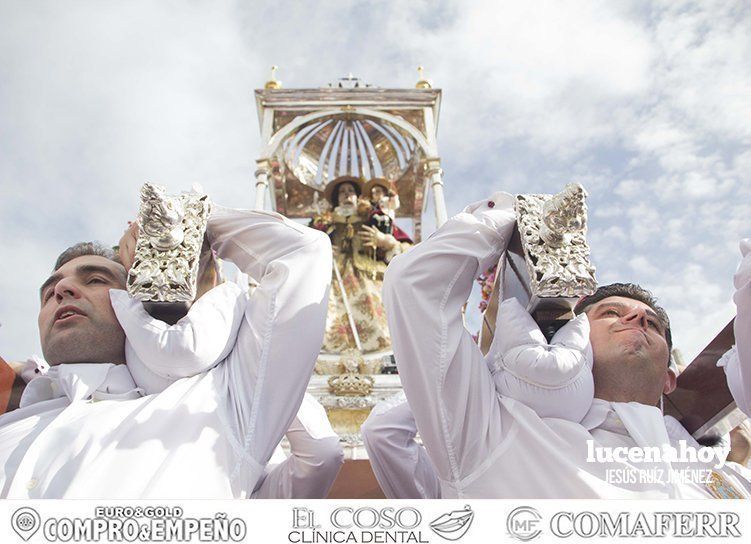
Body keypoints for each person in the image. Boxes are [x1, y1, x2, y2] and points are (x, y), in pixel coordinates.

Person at [383, 192, 751, 498]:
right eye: (610, 313)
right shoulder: (493, 430)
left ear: (669, 379)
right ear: (574, 342)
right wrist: (515, 222)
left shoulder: (726, 483)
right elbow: (415, 285)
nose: (636, 320)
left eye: (651, 323)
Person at [0, 204, 332, 498]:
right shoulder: (12, 422)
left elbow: (301, 252)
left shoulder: (217, 403)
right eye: (48, 293)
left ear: (138, 300)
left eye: (96, 280)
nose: (61, 289)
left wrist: (177, 223)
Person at [310, 177, 409, 357]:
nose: (346, 194)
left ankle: (382, 357)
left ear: (358, 197)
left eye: (350, 191)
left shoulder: (375, 219)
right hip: (333, 281)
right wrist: (318, 249)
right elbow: (303, 247)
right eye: (342, 192)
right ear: (336, 199)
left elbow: (408, 251)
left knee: (381, 327)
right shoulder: (324, 224)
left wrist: (387, 242)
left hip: (370, 279)